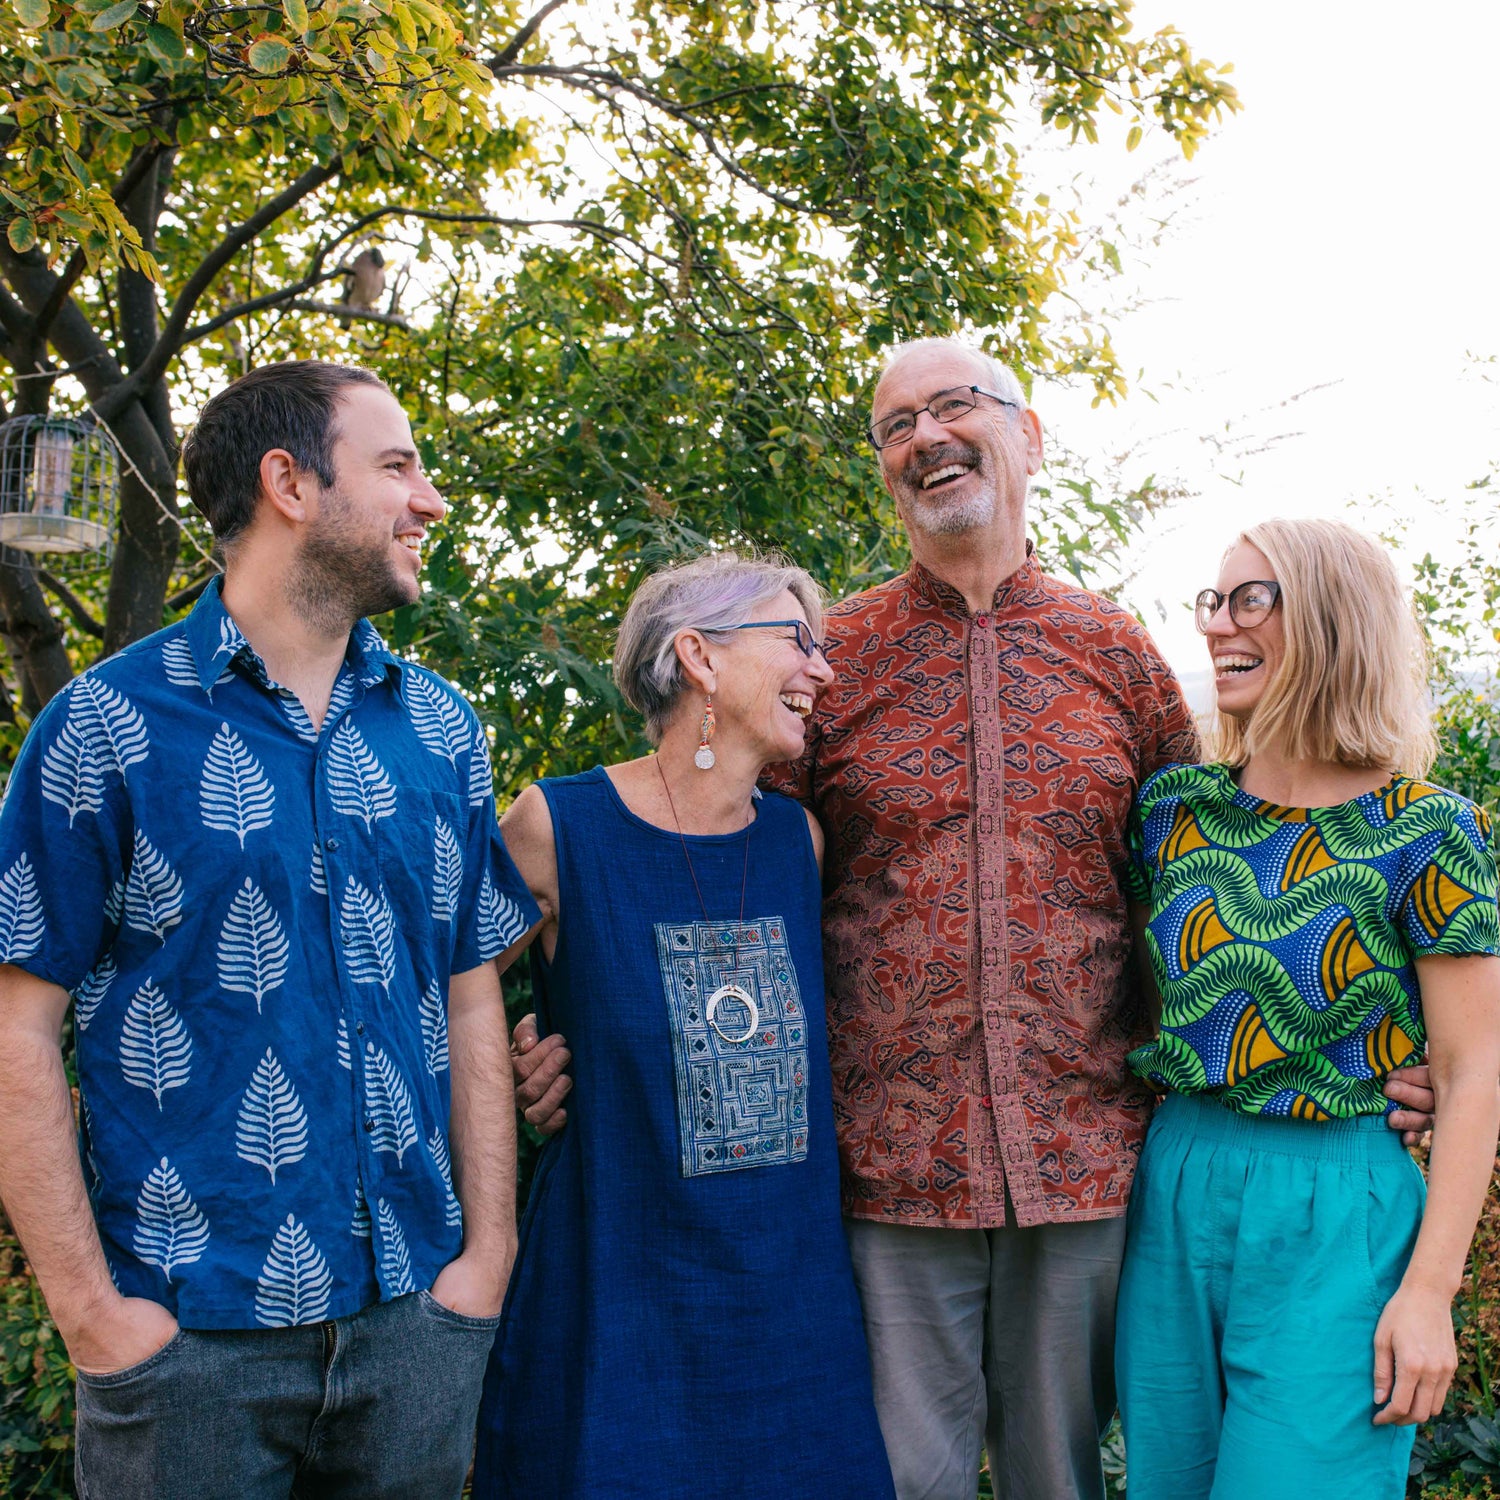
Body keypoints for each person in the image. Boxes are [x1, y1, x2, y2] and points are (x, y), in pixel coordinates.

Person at [515, 338, 1439, 1500]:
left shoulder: (1121, 657)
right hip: (884, 1165)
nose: (925, 437)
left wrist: (1400, 1051)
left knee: (1067, 1478)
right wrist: (564, 1040)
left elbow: (1229, 881)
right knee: (902, 1480)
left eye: (955, 405)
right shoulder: (828, 661)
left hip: (1090, 1158)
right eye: (896, 425)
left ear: (1030, 436)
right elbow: (716, 874)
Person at [0, 360, 540, 1499]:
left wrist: (484, 1260)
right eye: (398, 466)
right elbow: (16, 1026)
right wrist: (93, 1315)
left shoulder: (440, 730)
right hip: (189, 1346)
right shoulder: (100, 727)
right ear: (288, 482)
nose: (430, 500)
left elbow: (473, 992)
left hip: (416, 1330)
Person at [473, 551, 896, 1499]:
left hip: (790, 1309)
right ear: (700, 656)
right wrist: (508, 1067)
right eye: (797, 641)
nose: (822, 670)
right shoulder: (558, 827)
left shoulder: (799, 842)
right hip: (617, 1291)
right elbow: (432, 1005)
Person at [1116, 517, 1500, 1497]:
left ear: (1333, 621)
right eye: (1215, 599)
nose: (1217, 625)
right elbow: (1149, 998)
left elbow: (1473, 1069)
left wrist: (1428, 1292)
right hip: (1177, 1184)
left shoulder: (1426, 830)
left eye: (1253, 597)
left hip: (1340, 1207)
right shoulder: (1177, 811)